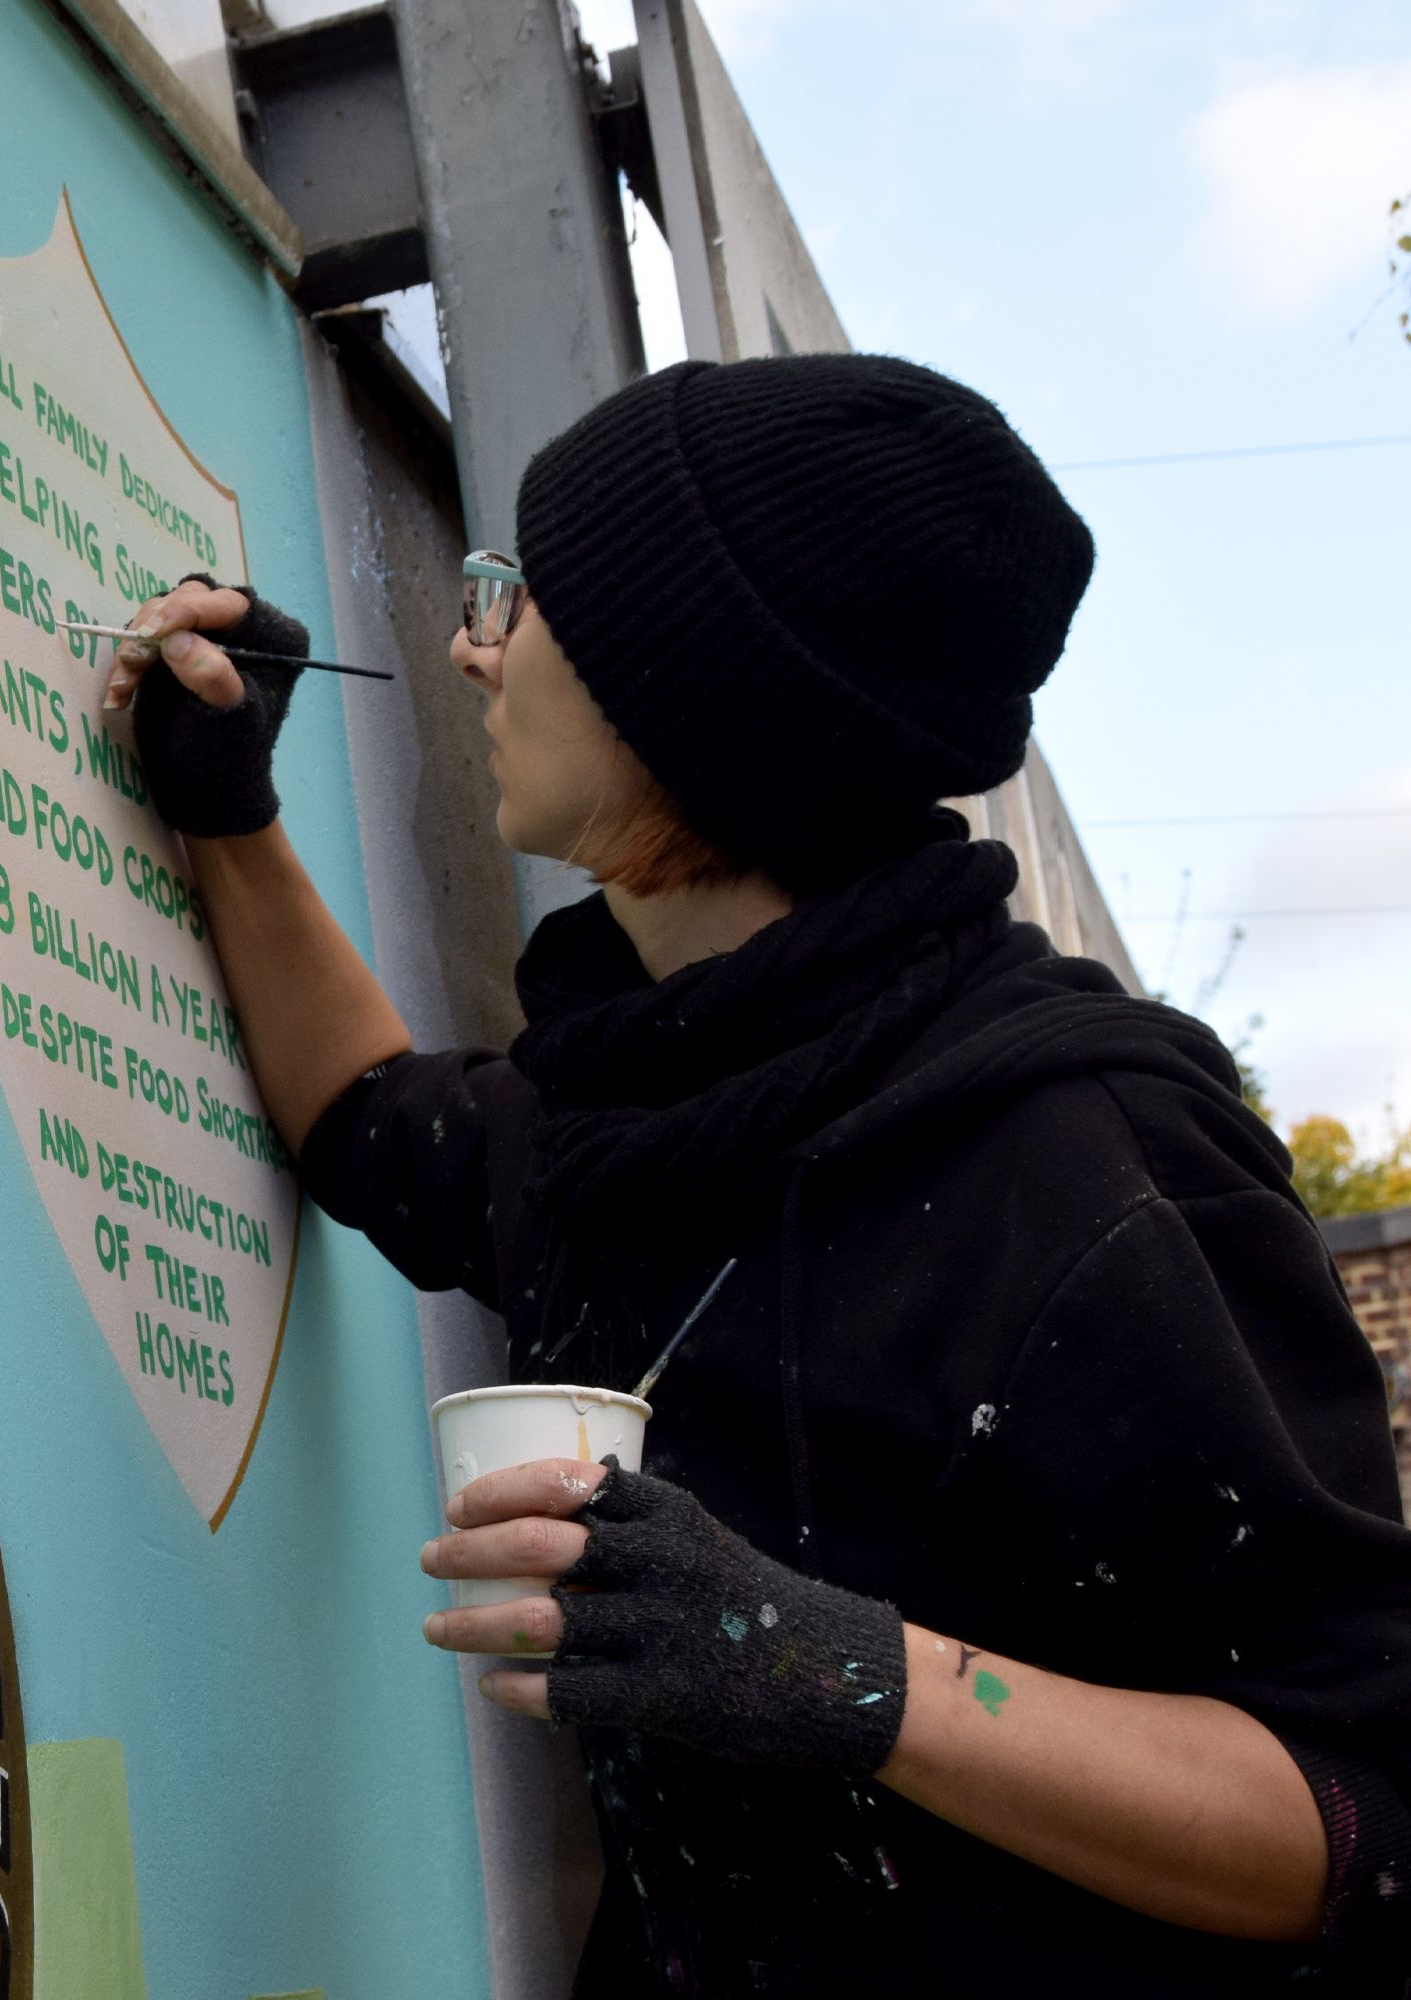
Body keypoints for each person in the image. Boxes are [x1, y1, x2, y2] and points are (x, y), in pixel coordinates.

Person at [105, 353, 1411, 1995]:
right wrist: (222, 812)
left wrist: (848, 1676)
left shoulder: (1089, 1163)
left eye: (530, 597)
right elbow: (371, 1115)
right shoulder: (645, 1112)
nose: (469, 639)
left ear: (694, 698)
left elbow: (1356, 1818)